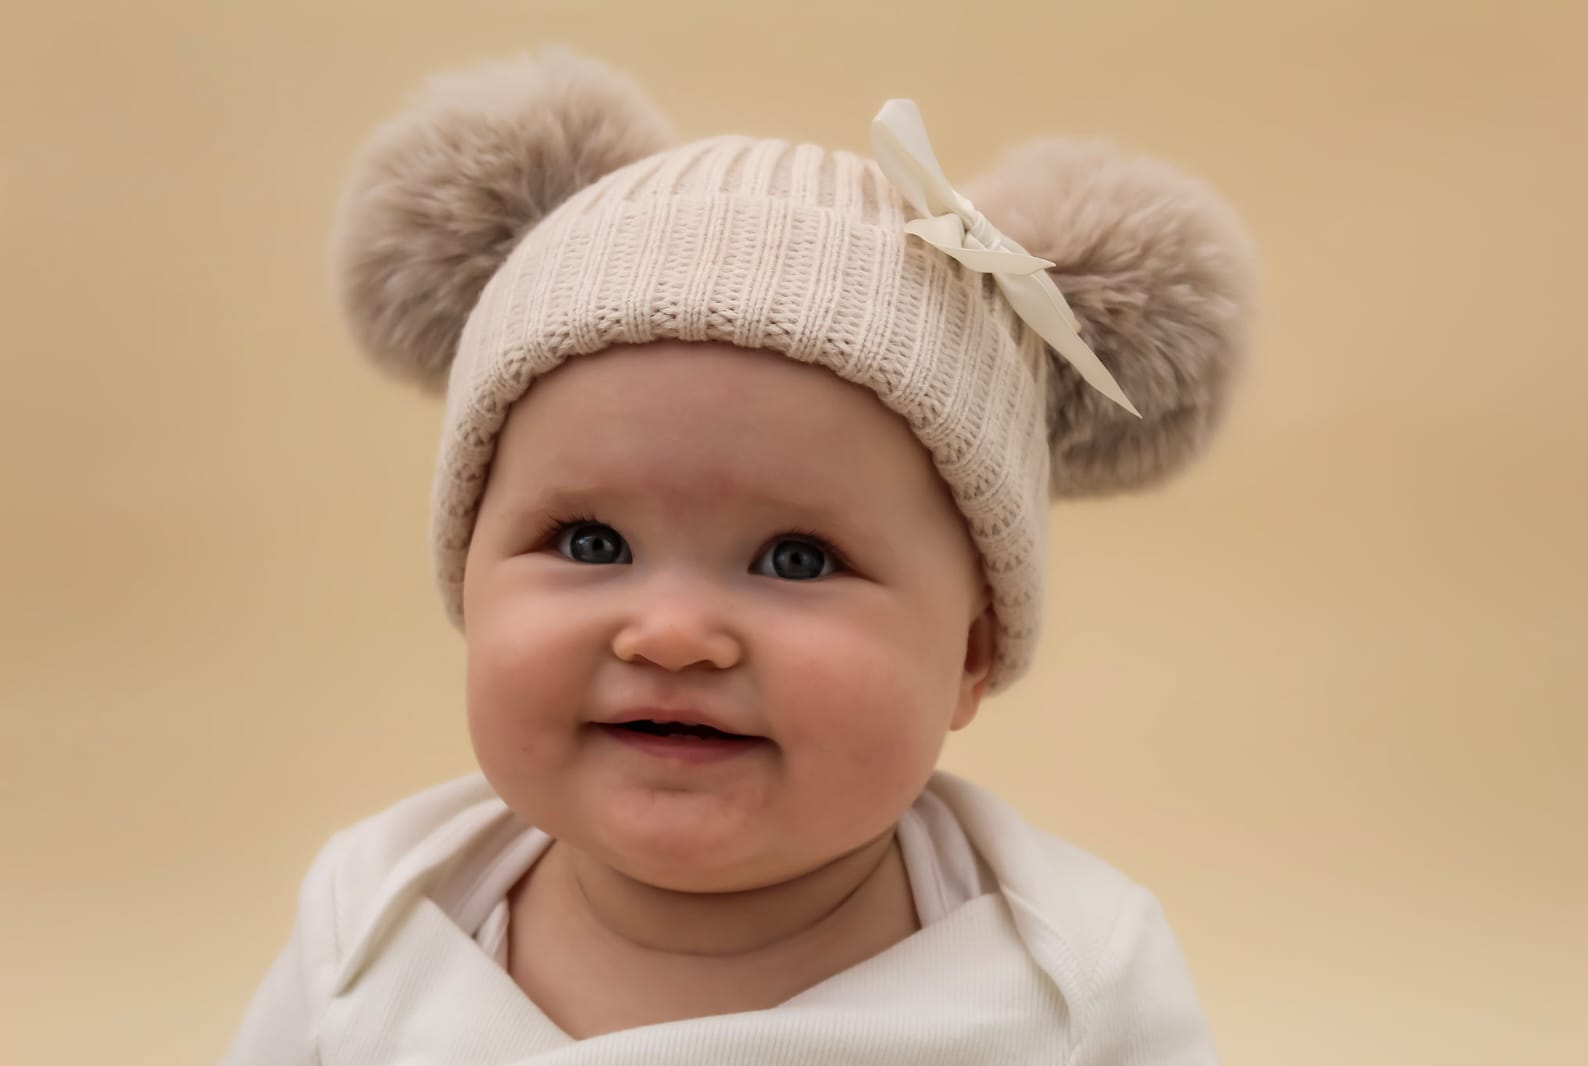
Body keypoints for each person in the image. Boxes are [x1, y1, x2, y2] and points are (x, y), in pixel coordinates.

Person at [220, 43, 1255, 1065]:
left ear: (972, 649)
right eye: (590, 542)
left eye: (796, 559)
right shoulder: (376, 924)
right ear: (468, 581)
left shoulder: (1073, 978)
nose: (672, 634)